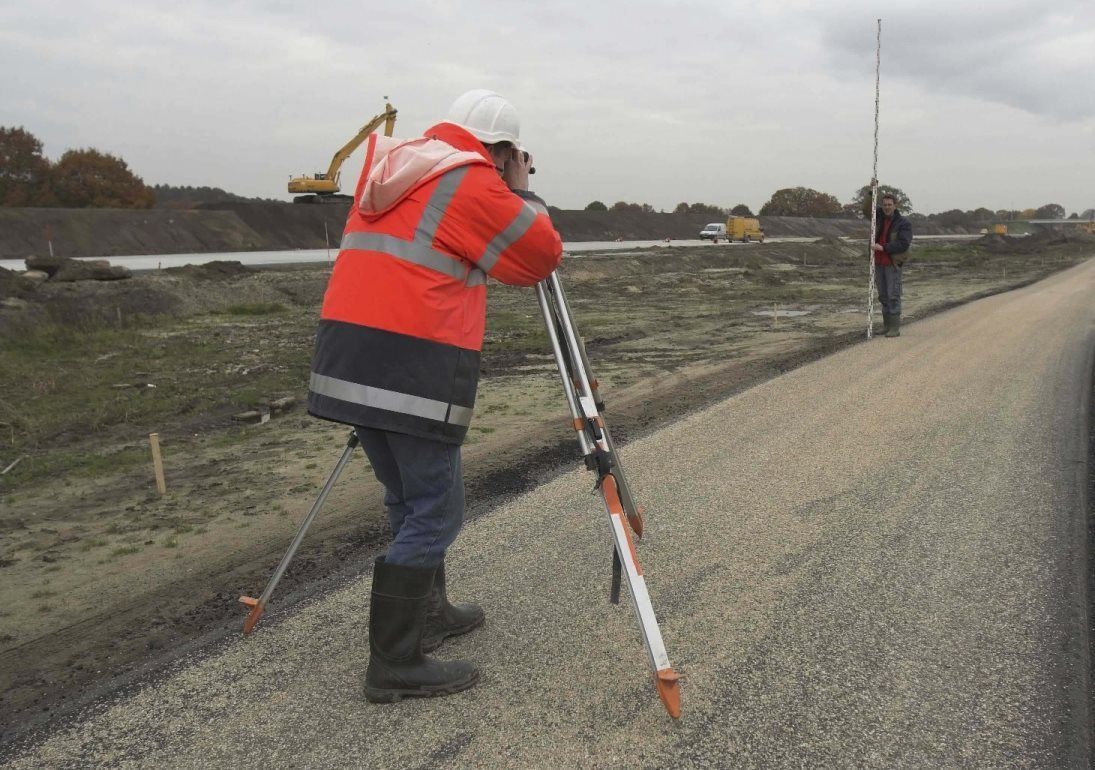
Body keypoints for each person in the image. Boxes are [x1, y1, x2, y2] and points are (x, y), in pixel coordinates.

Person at [307, 90, 563, 702]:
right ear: (501, 151)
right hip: (412, 367)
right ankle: (394, 662)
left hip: (349, 359)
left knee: (407, 498)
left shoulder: (396, 166)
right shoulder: (468, 181)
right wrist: (522, 192)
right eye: (510, 158)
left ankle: (427, 614)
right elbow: (540, 255)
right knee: (437, 510)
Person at [871, 192, 913, 337]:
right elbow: (867, 208)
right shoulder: (879, 218)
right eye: (885, 205)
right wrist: (872, 191)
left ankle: (894, 328)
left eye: (890, 205)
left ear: (895, 206)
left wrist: (884, 248)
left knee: (893, 295)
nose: (887, 207)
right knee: (883, 296)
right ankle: (886, 325)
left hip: (892, 264)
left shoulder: (903, 223)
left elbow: (904, 243)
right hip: (878, 263)